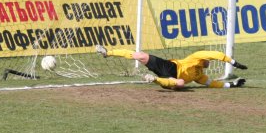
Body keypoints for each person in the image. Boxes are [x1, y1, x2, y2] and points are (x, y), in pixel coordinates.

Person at [95, 44, 247, 89]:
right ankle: (108, 52)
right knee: (141, 55)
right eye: (208, 60)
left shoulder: (200, 76)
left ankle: (153, 79)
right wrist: (232, 62)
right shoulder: (196, 57)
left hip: (172, 79)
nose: (209, 62)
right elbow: (214, 54)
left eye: (209, 62)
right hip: (169, 66)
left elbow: (212, 84)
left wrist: (232, 85)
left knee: (180, 83)